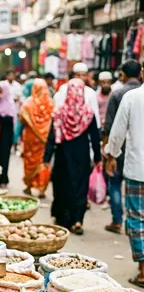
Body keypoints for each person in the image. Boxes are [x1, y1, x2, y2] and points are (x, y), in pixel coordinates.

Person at [44, 78, 102, 235]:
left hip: (63, 155)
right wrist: (98, 157)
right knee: (80, 187)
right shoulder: (88, 113)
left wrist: (47, 158)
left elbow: (51, 135)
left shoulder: (59, 112)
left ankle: (63, 219)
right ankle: (77, 220)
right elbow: (95, 137)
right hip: (82, 156)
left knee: (63, 186)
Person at [106, 64, 144, 285]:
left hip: (137, 169)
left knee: (137, 219)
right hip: (135, 168)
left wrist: (111, 155)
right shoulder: (130, 96)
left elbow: (118, 131)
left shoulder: (132, 97)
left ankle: (143, 269)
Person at [103, 60, 142, 235]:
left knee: (135, 216)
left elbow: (114, 129)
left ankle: (117, 220)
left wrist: (110, 154)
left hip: (133, 161)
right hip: (132, 157)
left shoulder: (125, 95)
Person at [20, 79, 54, 198]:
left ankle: (29, 187)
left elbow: (22, 119)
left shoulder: (28, 103)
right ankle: (42, 189)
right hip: (45, 139)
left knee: (29, 161)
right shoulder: (50, 103)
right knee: (44, 162)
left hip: (30, 139)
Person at [53, 62, 100, 126]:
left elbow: (95, 113)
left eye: (83, 75)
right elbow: (58, 109)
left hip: (85, 127)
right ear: (73, 75)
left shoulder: (91, 92)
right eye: (78, 75)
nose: (81, 77)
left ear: (86, 76)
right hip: (66, 126)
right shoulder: (64, 89)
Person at [0, 80, 16, 187]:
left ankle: (3, 179)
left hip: (6, 134)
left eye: (1, 90)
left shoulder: (10, 103)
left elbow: (10, 119)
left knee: (4, 157)